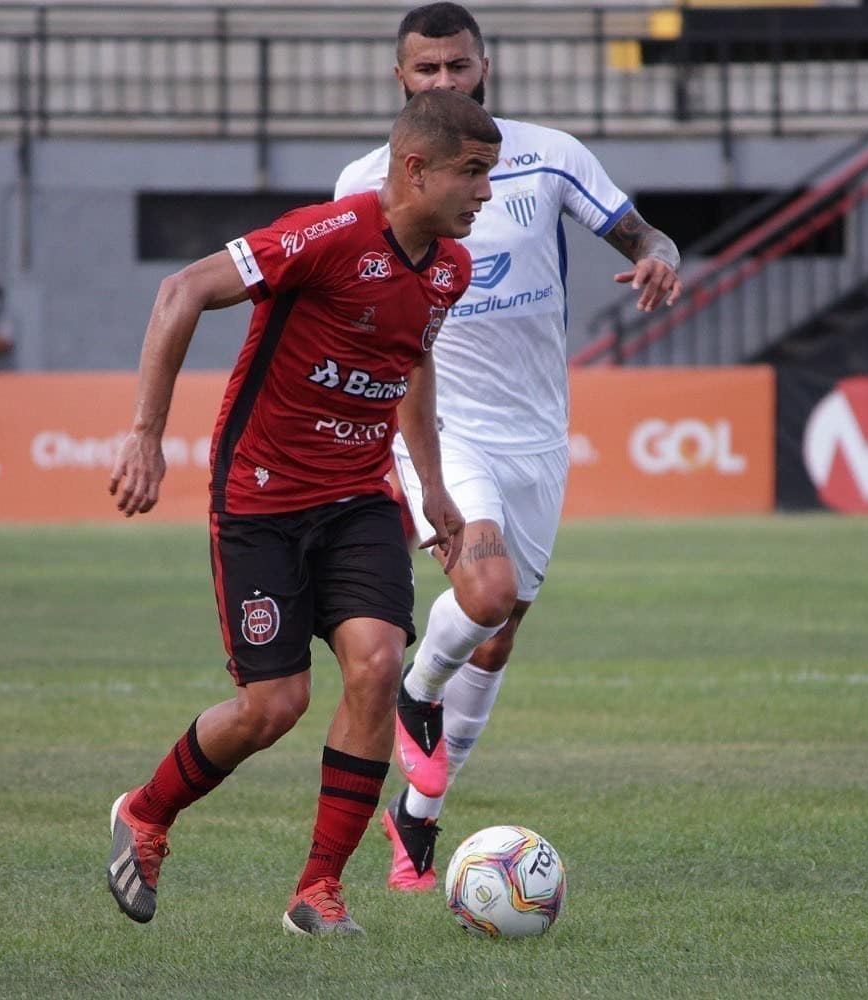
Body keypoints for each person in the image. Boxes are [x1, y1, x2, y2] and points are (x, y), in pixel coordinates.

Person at [104, 88, 501, 936]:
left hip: (359, 498)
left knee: (377, 666)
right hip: (262, 498)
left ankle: (318, 889)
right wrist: (145, 435)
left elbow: (412, 362)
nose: (486, 193)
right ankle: (146, 811)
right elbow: (181, 290)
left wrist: (432, 486)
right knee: (273, 706)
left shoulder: (450, 269)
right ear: (415, 168)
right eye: (472, 173)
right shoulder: (326, 235)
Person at [334, 2, 683, 892]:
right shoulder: (366, 181)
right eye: (426, 69)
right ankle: (416, 692)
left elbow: (640, 232)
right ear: (400, 79)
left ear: (484, 68)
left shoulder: (549, 155)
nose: (444, 81)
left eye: (458, 66)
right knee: (483, 593)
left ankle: (418, 815)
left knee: (498, 631)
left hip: (537, 431)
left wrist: (661, 254)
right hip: (439, 427)